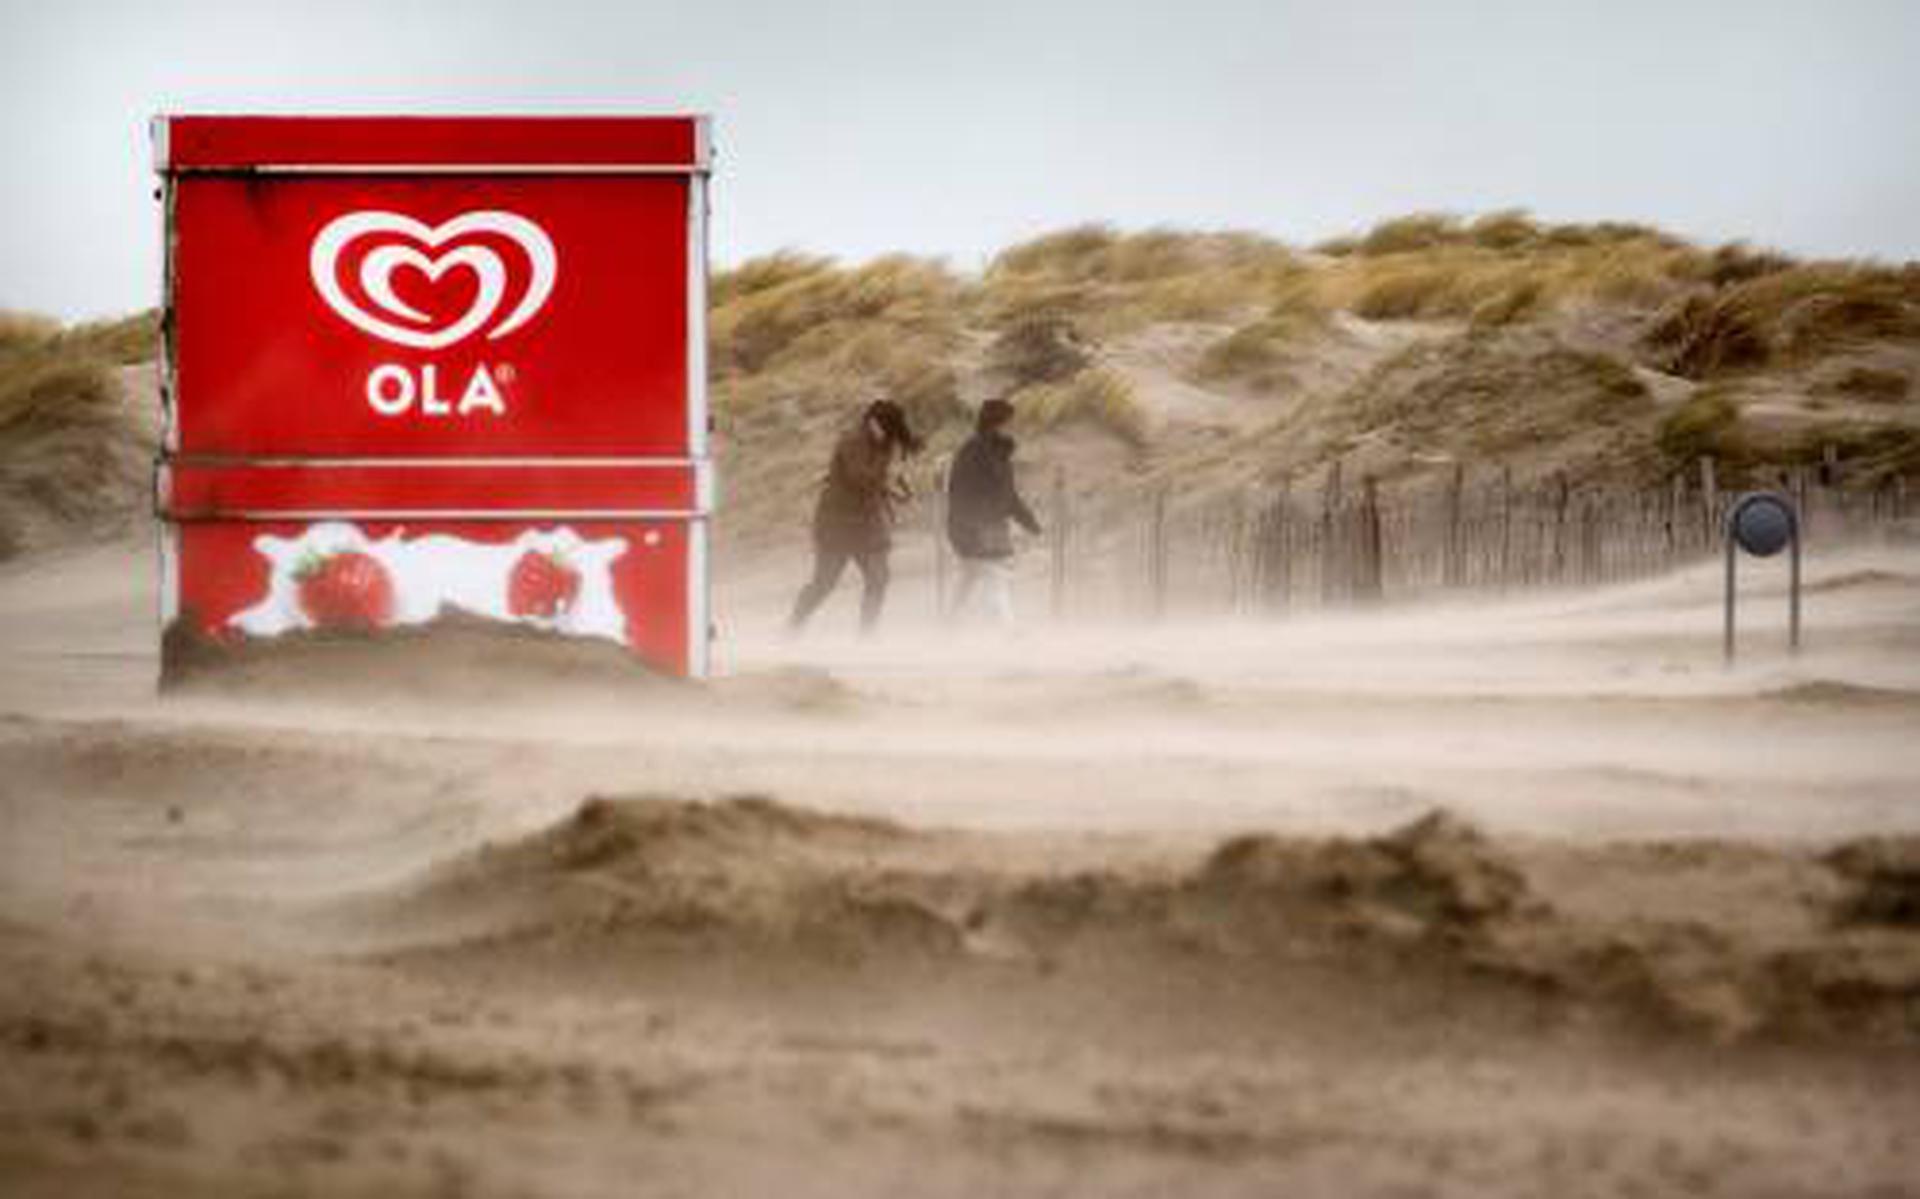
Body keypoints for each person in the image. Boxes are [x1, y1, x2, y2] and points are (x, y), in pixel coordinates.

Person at [789, 399, 923, 633]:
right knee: (824, 584)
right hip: (837, 523)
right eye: (888, 430)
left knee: (879, 578)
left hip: (869, 522)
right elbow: (861, 479)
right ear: (874, 422)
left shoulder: (883, 444)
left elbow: (876, 482)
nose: (890, 437)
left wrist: (897, 492)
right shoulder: (852, 441)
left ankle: (866, 637)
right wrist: (886, 464)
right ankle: (793, 626)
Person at [945, 398, 1041, 625]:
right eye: (1008, 422)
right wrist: (968, 525)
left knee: (969, 576)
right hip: (973, 526)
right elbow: (958, 492)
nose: (1012, 427)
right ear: (996, 423)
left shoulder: (1000, 455)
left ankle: (948, 624)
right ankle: (1010, 630)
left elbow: (1009, 496)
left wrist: (1030, 522)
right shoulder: (972, 451)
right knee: (994, 575)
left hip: (989, 525)